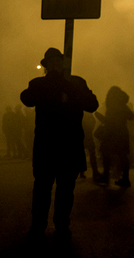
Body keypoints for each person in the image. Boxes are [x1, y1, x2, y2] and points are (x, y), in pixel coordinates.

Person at [22, 48, 99, 239]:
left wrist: (69, 88)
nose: (55, 65)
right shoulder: (39, 83)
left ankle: (62, 225)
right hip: (47, 144)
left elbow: (92, 105)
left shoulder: (76, 82)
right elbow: (26, 98)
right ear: (46, 66)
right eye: (51, 62)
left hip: (69, 144)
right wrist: (54, 84)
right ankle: (38, 225)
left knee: (65, 190)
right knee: (42, 189)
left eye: (59, 61)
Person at [94, 86, 134, 187]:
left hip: (111, 133)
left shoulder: (112, 104)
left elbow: (111, 121)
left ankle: (106, 176)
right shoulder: (123, 105)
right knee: (122, 156)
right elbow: (131, 117)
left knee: (106, 154)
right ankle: (125, 178)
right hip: (122, 133)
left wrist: (104, 119)